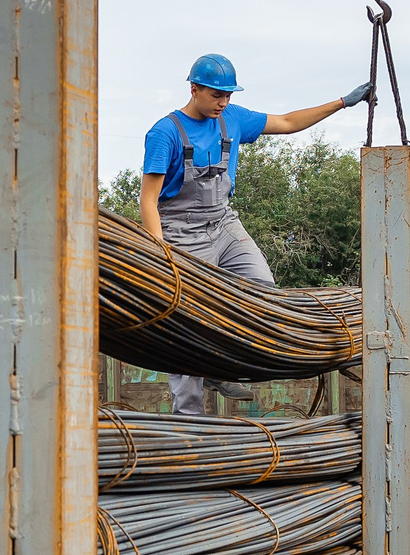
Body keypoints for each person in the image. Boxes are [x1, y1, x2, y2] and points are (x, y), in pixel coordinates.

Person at [139, 54, 370, 416]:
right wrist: (160, 254)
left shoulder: (231, 118)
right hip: (181, 231)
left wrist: (342, 102)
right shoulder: (165, 133)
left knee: (261, 287)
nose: (223, 102)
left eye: (228, 95)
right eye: (216, 94)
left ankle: (221, 366)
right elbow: (148, 200)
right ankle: (189, 419)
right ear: (194, 89)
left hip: (223, 223)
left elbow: (288, 122)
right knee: (186, 320)